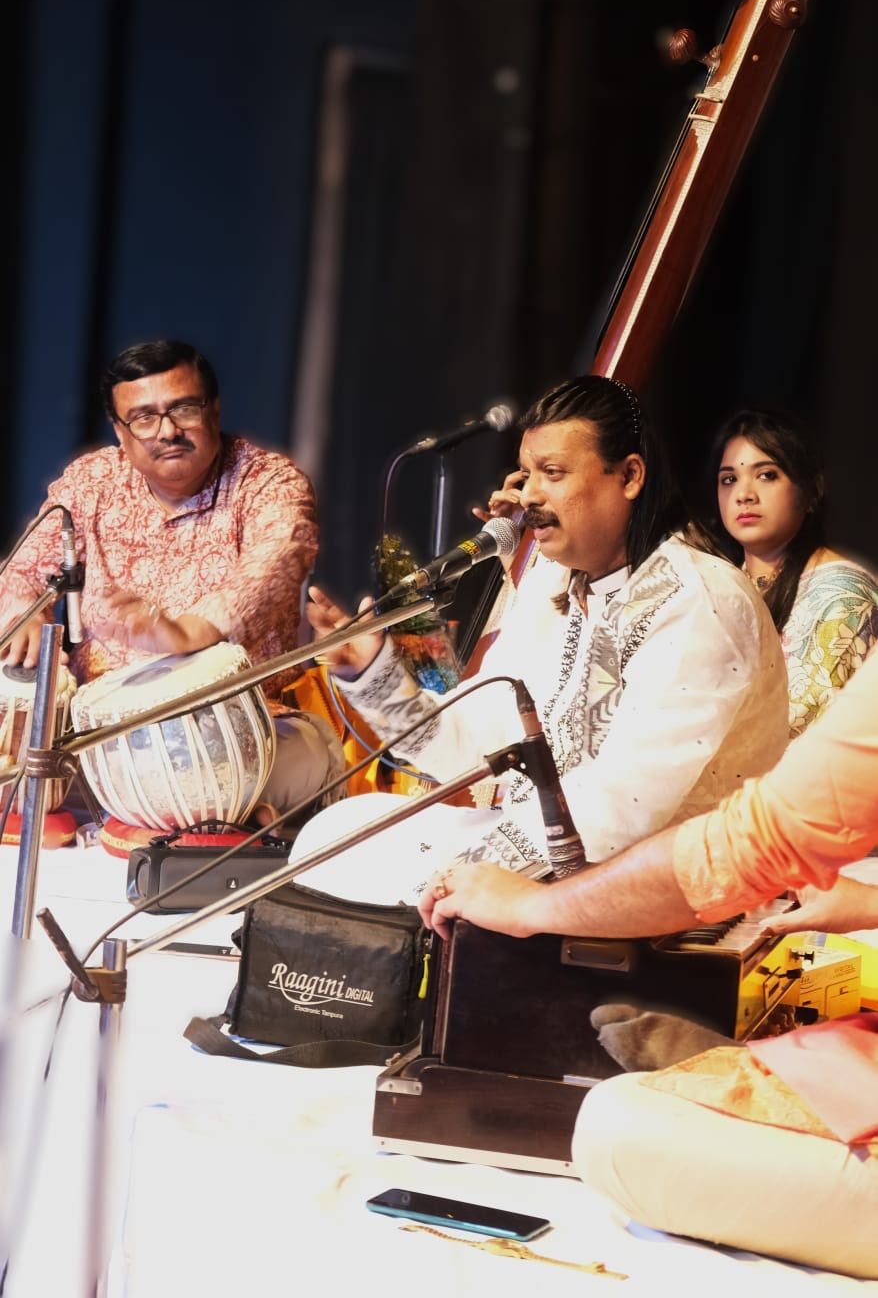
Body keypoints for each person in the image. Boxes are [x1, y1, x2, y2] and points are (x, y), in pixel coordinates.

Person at [417, 647, 878, 1279]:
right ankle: (761, 1078)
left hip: (660, 866)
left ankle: (747, 1083)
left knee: (614, 1127)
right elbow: (458, 747)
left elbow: (745, 841)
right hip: (617, 859)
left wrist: (533, 906)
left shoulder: (706, 606)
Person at [294, 375, 788, 904]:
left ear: (629, 476)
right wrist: (372, 673)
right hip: (546, 853)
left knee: (371, 887)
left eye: (553, 473)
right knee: (336, 835)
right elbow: (469, 742)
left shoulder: (698, 600)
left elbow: (623, 808)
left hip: (660, 888)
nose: (529, 494)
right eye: (527, 474)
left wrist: (460, 878)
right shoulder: (552, 583)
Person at [0, 338, 337, 818]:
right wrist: (24, 613)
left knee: (295, 760)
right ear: (120, 432)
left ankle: (220, 822)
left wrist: (188, 632)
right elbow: (21, 571)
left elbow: (279, 559)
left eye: (184, 409)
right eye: (143, 418)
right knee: (23, 772)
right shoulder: (91, 483)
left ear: (214, 410)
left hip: (241, 729)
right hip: (99, 738)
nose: (167, 431)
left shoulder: (267, 481)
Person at [712, 407, 878, 735]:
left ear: (811, 491)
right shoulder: (718, 584)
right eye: (729, 479)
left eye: (767, 475)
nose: (744, 495)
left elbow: (797, 728)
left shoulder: (843, 595)